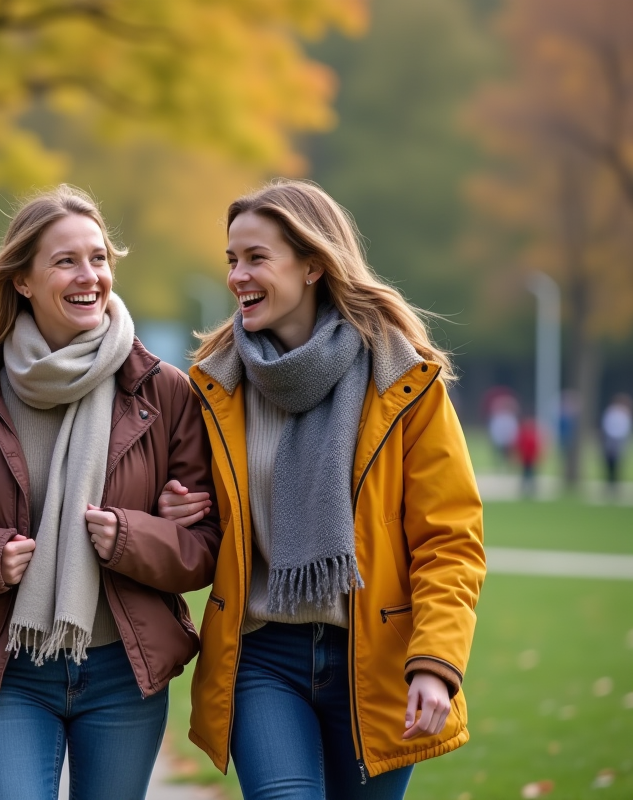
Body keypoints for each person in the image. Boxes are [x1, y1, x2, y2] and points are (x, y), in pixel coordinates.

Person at [0, 185, 222, 800]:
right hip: (12, 671)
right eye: (66, 261)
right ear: (23, 281)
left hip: (124, 671)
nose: (88, 275)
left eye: (98, 258)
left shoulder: (164, 391)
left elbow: (205, 549)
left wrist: (132, 536)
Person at [160, 179, 486, 799]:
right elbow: (199, 525)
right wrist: (178, 511)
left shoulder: (403, 381)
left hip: (377, 660)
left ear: (313, 264)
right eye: (232, 260)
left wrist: (436, 665)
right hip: (262, 656)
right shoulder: (215, 384)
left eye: (257, 258)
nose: (237, 276)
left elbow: (451, 540)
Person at [601, 394, 632, 494]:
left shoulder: (624, 413)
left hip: (619, 440)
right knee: (609, 462)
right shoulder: (612, 412)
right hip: (611, 439)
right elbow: (607, 425)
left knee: (618, 463)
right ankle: (610, 483)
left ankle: (614, 484)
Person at [514, 416, 541, 498]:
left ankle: (531, 488)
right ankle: (525, 489)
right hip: (526, 458)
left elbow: (535, 447)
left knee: (530, 473)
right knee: (526, 473)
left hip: (530, 458)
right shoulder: (525, 435)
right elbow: (520, 445)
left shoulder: (531, 435)